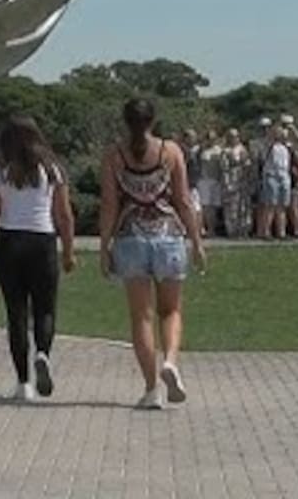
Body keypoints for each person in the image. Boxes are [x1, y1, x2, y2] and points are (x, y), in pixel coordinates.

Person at [98, 99, 206, 409]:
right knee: (171, 311)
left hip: (130, 237)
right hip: (169, 235)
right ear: (153, 119)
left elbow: (109, 204)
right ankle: (170, 361)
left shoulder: (113, 156)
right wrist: (197, 241)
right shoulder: (171, 151)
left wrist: (104, 246)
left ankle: (150, 388)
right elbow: (183, 200)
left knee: (140, 316)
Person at [0, 116, 76, 401]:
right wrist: (68, 250)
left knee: (16, 312)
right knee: (45, 308)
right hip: (42, 240)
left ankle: (23, 383)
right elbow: (64, 216)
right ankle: (43, 352)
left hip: (10, 241)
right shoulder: (52, 169)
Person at [257, 126, 293, 239]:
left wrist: (293, 130)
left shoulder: (286, 146)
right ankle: (266, 232)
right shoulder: (269, 146)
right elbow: (262, 152)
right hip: (271, 175)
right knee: (270, 205)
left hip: (284, 175)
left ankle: (281, 232)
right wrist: (270, 133)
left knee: (282, 206)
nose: (280, 135)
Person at [219, 129, 254, 238]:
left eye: (236, 136)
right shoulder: (225, 151)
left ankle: (244, 230)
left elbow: (249, 165)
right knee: (231, 207)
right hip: (231, 179)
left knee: (244, 206)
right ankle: (232, 231)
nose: (234, 138)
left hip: (243, 180)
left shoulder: (243, 149)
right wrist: (227, 183)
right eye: (231, 136)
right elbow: (224, 168)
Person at [198, 130, 223, 236]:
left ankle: (212, 228)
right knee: (205, 205)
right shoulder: (200, 150)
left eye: (212, 138)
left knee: (214, 206)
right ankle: (205, 228)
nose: (210, 140)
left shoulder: (219, 150)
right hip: (204, 180)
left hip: (216, 180)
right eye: (208, 138)